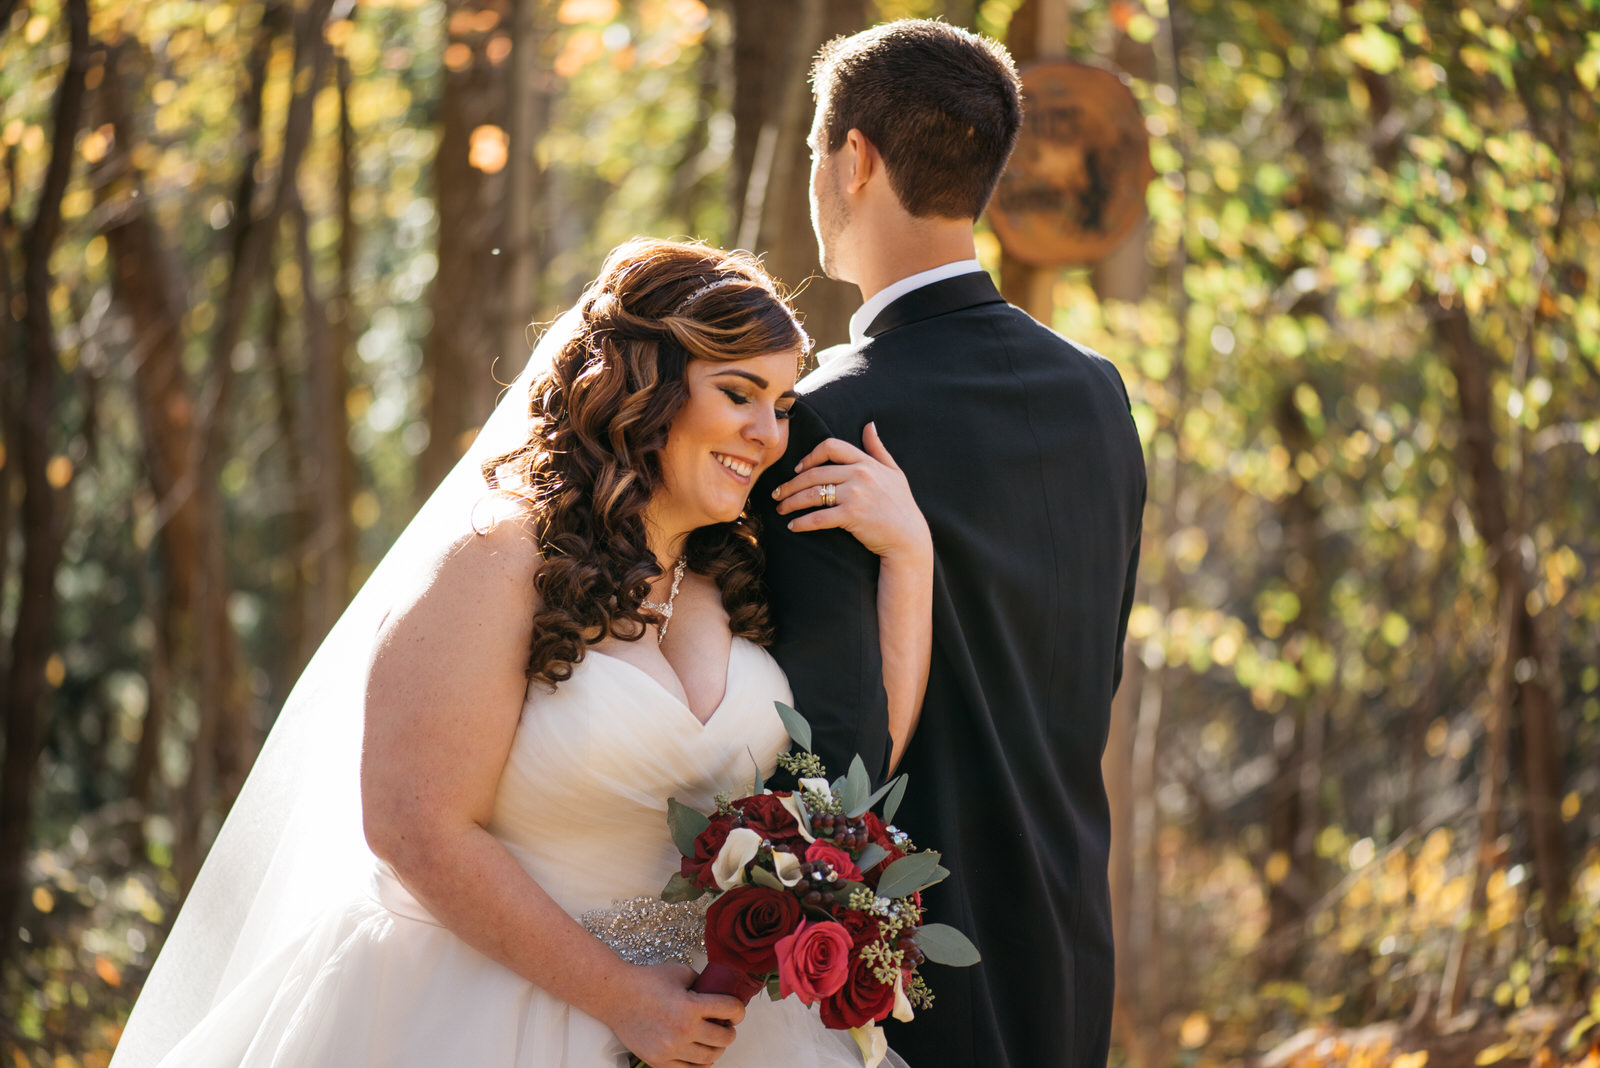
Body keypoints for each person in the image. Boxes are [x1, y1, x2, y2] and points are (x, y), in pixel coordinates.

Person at [111, 239, 929, 1068]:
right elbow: (412, 824)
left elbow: (854, 773)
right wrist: (618, 996)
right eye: (740, 393)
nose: (766, 434)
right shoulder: (500, 561)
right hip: (485, 1011)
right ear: (647, 383)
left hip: (716, 1029)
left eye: (784, 404)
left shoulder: (738, 579)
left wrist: (909, 557)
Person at [753, 20, 1147, 1068]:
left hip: (896, 974)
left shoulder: (823, 420)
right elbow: (1091, 669)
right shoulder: (1096, 394)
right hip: (1066, 943)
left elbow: (831, 756)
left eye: (811, 154)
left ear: (854, 160)